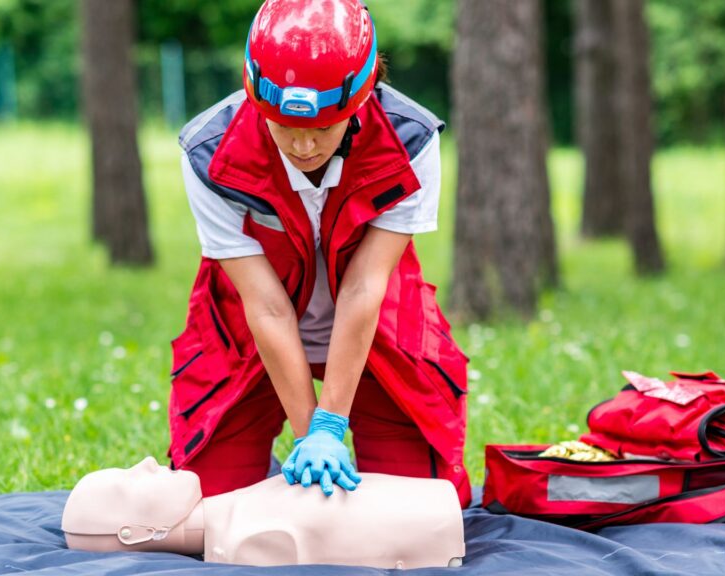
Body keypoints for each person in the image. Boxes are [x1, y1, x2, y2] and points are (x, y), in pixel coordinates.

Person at [169, 0, 471, 506]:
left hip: (379, 333)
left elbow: (364, 286)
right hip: (246, 338)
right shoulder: (208, 154)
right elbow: (264, 305)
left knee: (424, 510)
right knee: (207, 507)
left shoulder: (411, 140)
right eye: (285, 127)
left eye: (322, 130)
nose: (304, 146)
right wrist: (309, 433)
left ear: (361, 100)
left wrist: (330, 425)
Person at [61, 456, 465, 568]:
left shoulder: (244, 509)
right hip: (437, 524)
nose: (147, 461)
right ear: (132, 533)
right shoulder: (255, 536)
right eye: (128, 481)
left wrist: (323, 426)